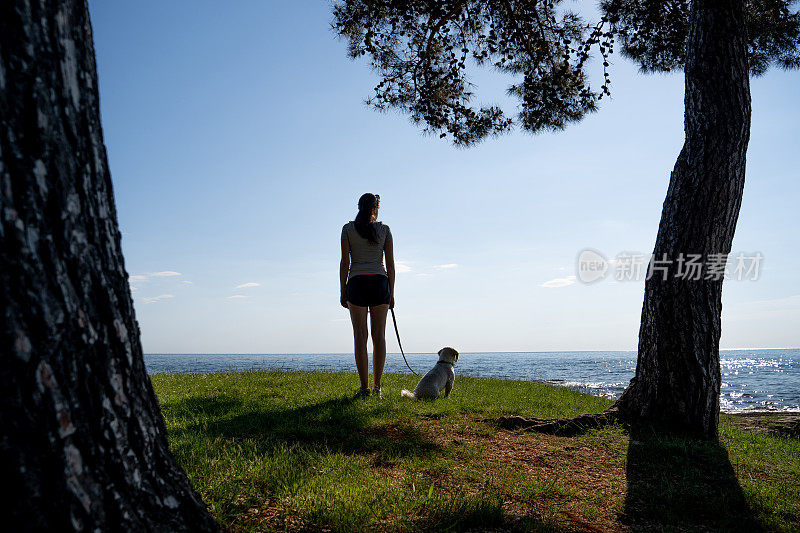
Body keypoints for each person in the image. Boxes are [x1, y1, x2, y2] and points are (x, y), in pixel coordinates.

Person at [340, 193, 395, 399]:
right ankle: (377, 388)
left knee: (360, 337)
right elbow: (390, 265)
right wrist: (392, 292)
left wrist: (342, 290)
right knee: (379, 336)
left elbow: (345, 263)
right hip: (380, 283)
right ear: (376, 208)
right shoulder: (385, 230)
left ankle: (364, 389)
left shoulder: (347, 229)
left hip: (357, 283)